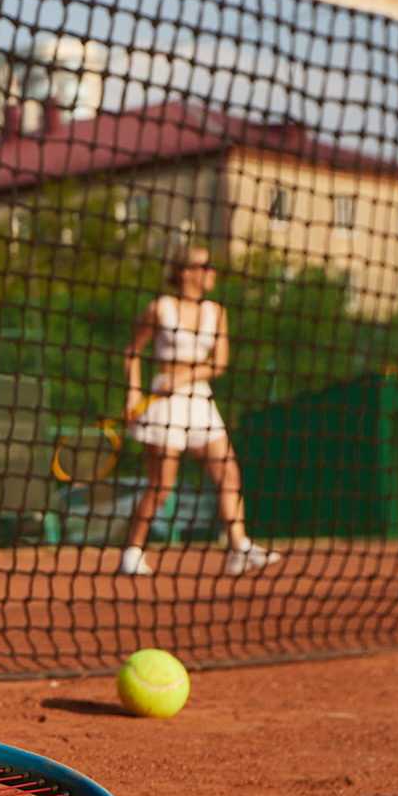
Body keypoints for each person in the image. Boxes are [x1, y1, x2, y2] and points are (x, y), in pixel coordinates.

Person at [116, 246, 280, 577]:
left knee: (228, 473)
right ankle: (131, 554)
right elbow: (132, 352)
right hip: (164, 404)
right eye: (206, 266)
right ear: (186, 271)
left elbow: (218, 363)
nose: (212, 272)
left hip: (199, 400)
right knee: (161, 485)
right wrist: (133, 393)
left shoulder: (216, 312)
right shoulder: (160, 307)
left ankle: (238, 548)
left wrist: (185, 375)